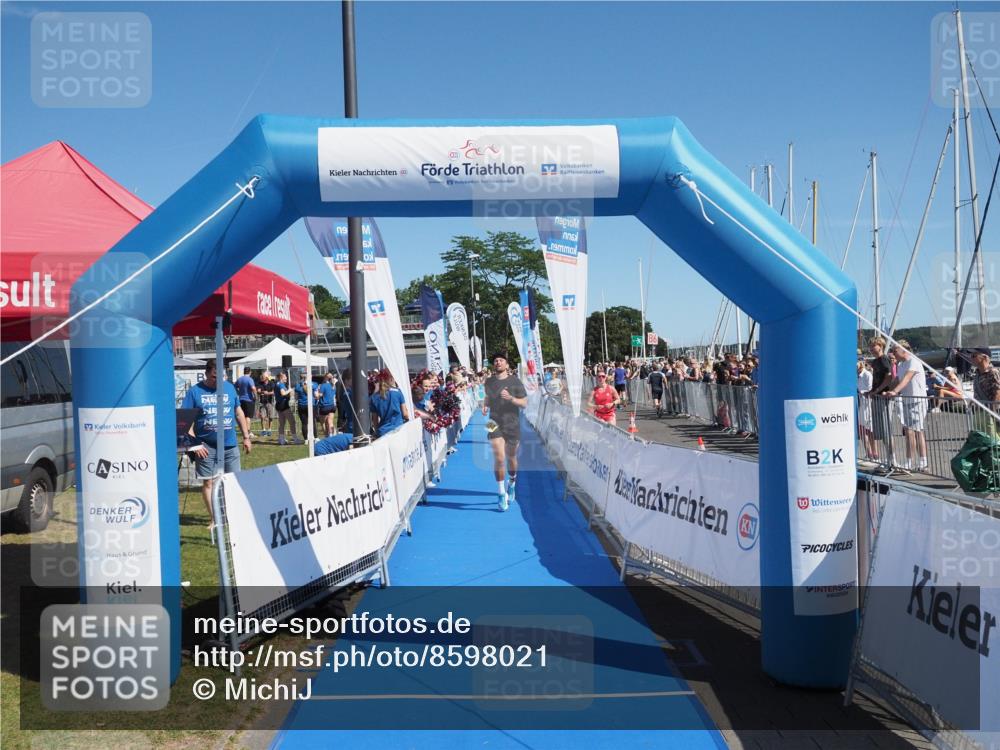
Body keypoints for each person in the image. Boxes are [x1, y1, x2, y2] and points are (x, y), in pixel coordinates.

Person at [181, 361, 253, 528]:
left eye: (220, 377)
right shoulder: (194, 392)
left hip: (230, 444)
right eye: (214, 377)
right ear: (206, 373)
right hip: (206, 446)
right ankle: (215, 518)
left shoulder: (229, 388)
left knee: (234, 481)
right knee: (209, 482)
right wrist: (195, 445)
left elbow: (239, 412)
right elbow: (185, 421)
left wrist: (246, 436)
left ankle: (233, 516)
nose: (217, 381)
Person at [483, 353, 528, 511]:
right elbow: (488, 397)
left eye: (501, 360)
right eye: (495, 360)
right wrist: (485, 405)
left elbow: (524, 404)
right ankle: (501, 493)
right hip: (492, 422)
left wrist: (511, 399)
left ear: (507, 365)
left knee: (511, 458)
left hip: (512, 424)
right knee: (499, 457)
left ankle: (512, 481)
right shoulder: (489, 381)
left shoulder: (515, 382)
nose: (498, 362)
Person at [884, 340, 927, 471]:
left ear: (904, 350)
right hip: (907, 401)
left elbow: (906, 378)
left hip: (917, 400)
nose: (893, 353)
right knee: (914, 431)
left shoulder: (913, 361)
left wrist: (895, 392)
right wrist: (885, 390)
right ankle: (921, 461)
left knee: (913, 431)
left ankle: (914, 461)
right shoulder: (902, 364)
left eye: (895, 351)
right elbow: (897, 380)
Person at [968, 347, 1000, 436]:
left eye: (974, 356)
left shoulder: (993, 372)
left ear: (985, 358)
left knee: (993, 440)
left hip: (990, 412)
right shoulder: (977, 373)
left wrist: (992, 412)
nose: (971, 358)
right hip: (979, 412)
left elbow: (998, 392)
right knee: (982, 439)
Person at [370, 369, 409, 436]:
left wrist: (377, 432)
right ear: (391, 379)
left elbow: (375, 420)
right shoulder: (398, 392)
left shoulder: (374, 397)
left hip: (383, 432)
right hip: (398, 430)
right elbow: (405, 414)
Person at [856, 359, 877, 461]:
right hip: (861, 404)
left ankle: (875, 453)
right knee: (862, 429)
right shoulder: (856, 376)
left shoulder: (867, 374)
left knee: (870, 430)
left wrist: (862, 392)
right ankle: (868, 452)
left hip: (868, 404)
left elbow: (870, 388)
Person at [235, 367, 257, 438]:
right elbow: (253, 388)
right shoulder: (250, 379)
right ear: (250, 372)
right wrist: (255, 396)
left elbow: (234, 387)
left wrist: (239, 392)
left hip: (241, 400)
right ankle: (248, 432)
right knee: (248, 417)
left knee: (243, 416)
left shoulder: (239, 379)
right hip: (248, 400)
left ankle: (244, 431)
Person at [274, 371, 294, 445]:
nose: (286, 378)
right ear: (281, 377)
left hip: (279, 405)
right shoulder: (281, 385)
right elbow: (283, 393)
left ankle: (281, 439)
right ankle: (295, 438)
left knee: (282, 423)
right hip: (283, 405)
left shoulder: (277, 384)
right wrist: (289, 390)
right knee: (292, 421)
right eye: (285, 377)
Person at [315, 372, 337, 437]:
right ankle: (331, 435)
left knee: (323, 423)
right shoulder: (333, 385)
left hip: (324, 406)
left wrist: (316, 395)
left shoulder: (323, 385)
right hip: (332, 406)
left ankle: (326, 435)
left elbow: (320, 395)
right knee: (330, 422)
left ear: (325, 378)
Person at [294, 372, 311, 442]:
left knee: (304, 423)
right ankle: (311, 436)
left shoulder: (298, 386)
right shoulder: (310, 384)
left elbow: (296, 395)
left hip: (301, 405)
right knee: (310, 422)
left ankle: (306, 439)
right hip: (309, 405)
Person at [258, 371, 275, 437]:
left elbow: (273, 392)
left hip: (270, 402)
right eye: (262, 377)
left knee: (270, 417)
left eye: (263, 377)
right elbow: (258, 391)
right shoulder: (260, 383)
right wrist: (260, 391)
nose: (262, 378)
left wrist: (267, 393)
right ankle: (264, 430)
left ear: (267, 378)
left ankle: (269, 430)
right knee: (262, 416)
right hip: (262, 402)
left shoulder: (271, 383)